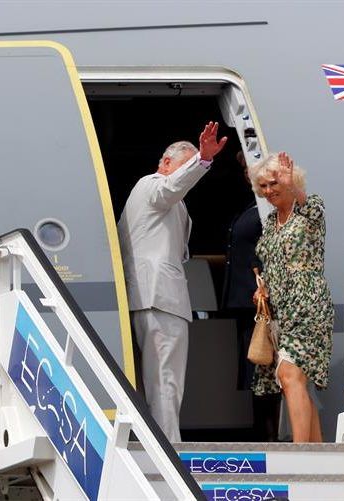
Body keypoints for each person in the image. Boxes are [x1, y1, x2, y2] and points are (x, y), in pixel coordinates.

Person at [117, 122, 227, 442]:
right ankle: (170, 450)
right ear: (165, 164)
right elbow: (171, 188)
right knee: (165, 380)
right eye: (183, 167)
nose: (186, 177)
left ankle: (162, 443)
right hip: (159, 297)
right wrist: (203, 160)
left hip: (153, 298)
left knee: (160, 380)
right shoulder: (151, 186)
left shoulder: (168, 201)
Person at [250, 152, 333, 443]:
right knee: (294, 381)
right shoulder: (271, 223)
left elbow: (311, 208)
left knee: (288, 374)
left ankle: (301, 454)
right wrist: (263, 289)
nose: (269, 190)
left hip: (308, 306)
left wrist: (295, 188)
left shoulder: (308, 211)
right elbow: (271, 264)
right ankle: (317, 452)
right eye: (263, 186)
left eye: (274, 183)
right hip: (282, 311)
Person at [221, 151, 281, 442]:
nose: (246, 171)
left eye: (250, 166)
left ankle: (270, 437)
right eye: (244, 167)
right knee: (255, 370)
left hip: (261, 302)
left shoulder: (268, 209)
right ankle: (263, 434)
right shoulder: (251, 206)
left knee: (264, 368)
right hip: (248, 302)